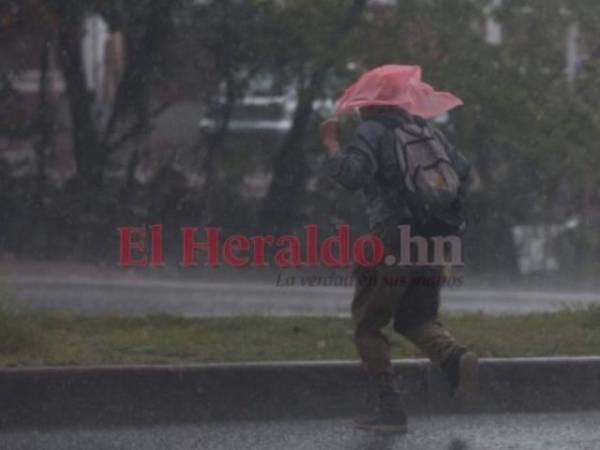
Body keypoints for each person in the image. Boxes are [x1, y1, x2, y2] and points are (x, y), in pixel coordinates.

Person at [321, 65, 479, 433]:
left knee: (368, 323)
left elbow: (351, 176)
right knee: (416, 318)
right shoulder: (428, 131)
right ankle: (455, 358)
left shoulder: (371, 130)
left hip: (390, 236)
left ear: (370, 104)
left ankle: (390, 409)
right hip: (433, 240)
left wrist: (331, 144)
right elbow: (465, 173)